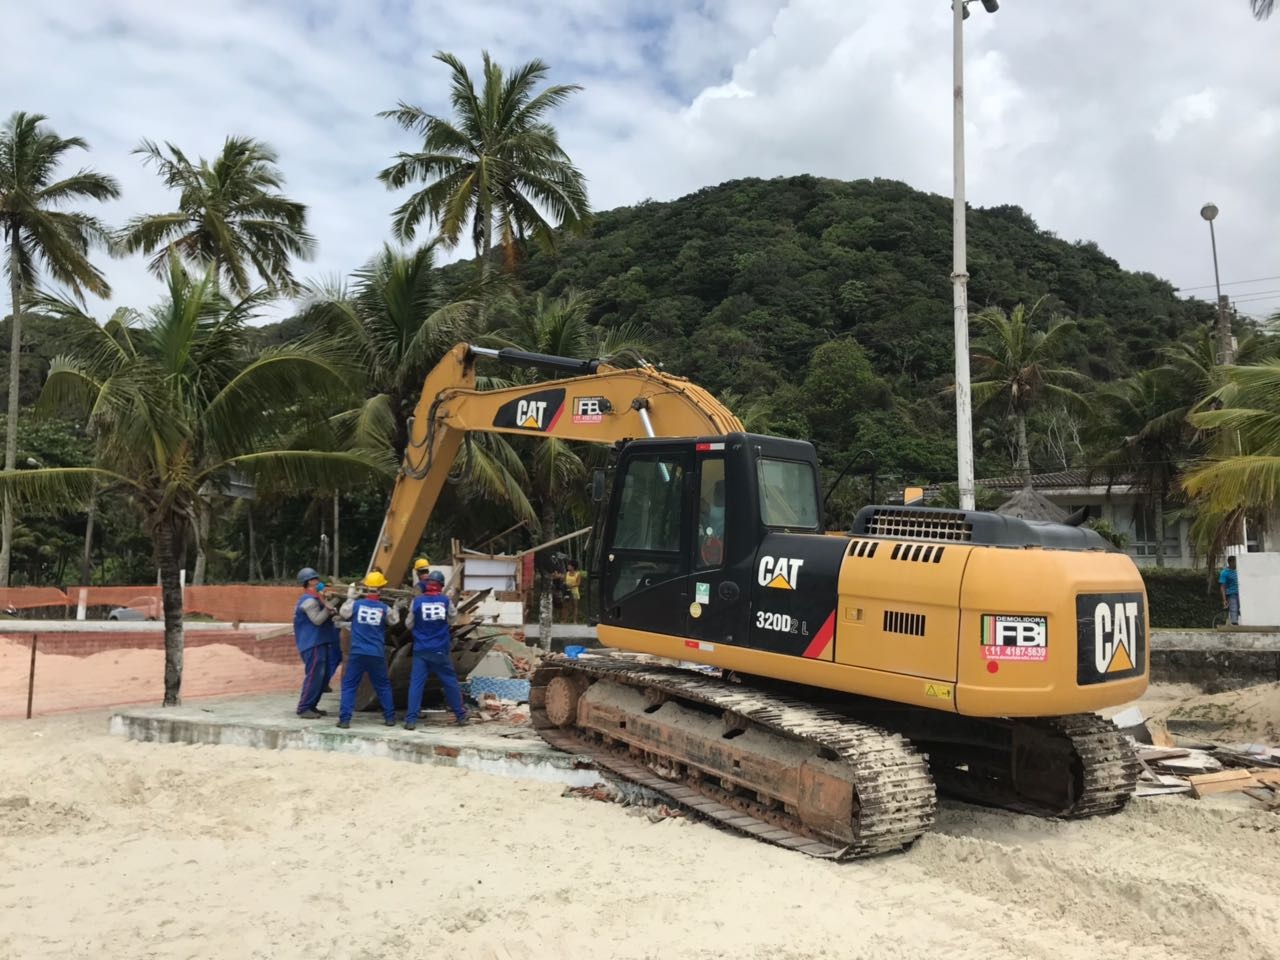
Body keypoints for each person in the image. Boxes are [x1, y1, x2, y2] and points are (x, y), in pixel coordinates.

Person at [403, 570, 467, 729]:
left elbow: (408, 624)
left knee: (416, 684)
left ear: (428, 583)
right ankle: (460, 715)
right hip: (439, 649)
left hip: (421, 649)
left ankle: (411, 720)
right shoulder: (446, 601)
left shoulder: (416, 602)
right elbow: (452, 620)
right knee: (449, 682)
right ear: (441, 585)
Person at [335, 572, 399, 729]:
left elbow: (343, 613)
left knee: (350, 685)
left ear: (366, 587)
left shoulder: (356, 605)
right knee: (382, 685)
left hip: (357, 652)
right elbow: (394, 621)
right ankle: (390, 718)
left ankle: (344, 720)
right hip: (376, 653)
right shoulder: (384, 608)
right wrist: (397, 607)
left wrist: (351, 597)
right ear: (381, 588)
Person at [293, 567, 337, 719]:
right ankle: (304, 707)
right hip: (312, 644)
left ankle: (312, 705)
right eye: (315, 580)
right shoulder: (309, 601)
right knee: (314, 675)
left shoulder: (316, 598)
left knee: (322, 676)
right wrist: (331, 605)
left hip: (319, 641)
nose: (319, 582)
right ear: (308, 583)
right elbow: (317, 620)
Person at [318, 582, 343, 694]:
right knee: (335, 658)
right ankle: (323, 683)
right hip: (338, 632)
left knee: (333, 659)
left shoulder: (322, 599)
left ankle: (323, 683)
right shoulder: (322, 600)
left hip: (335, 632)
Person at [1219, 555, 1241, 626]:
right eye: (1235, 562)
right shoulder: (1224, 572)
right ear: (1230, 562)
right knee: (1234, 608)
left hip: (1241, 594)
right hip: (1232, 594)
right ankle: (1234, 624)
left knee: (1242, 610)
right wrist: (1224, 600)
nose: (1237, 563)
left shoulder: (1239, 570)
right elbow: (1222, 587)